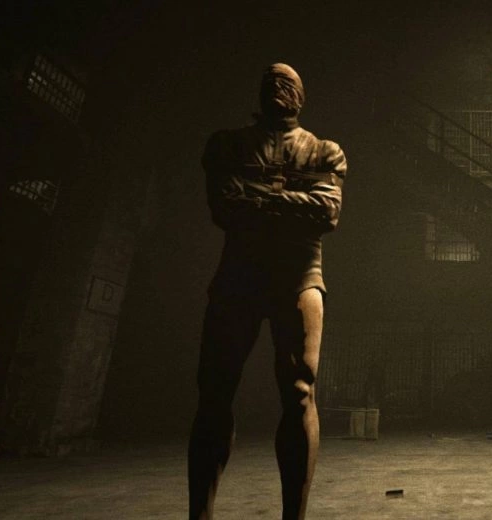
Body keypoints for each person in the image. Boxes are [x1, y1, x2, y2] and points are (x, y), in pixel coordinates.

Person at [188, 63, 347, 520]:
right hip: (239, 275)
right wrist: (294, 197)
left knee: (299, 391)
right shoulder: (226, 144)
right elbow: (224, 206)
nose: (278, 89)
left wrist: (259, 195)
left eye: (288, 83)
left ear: (301, 95)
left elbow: (327, 212)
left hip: (299, 277)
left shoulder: (325, 150)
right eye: (271, 83)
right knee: (214, 392)